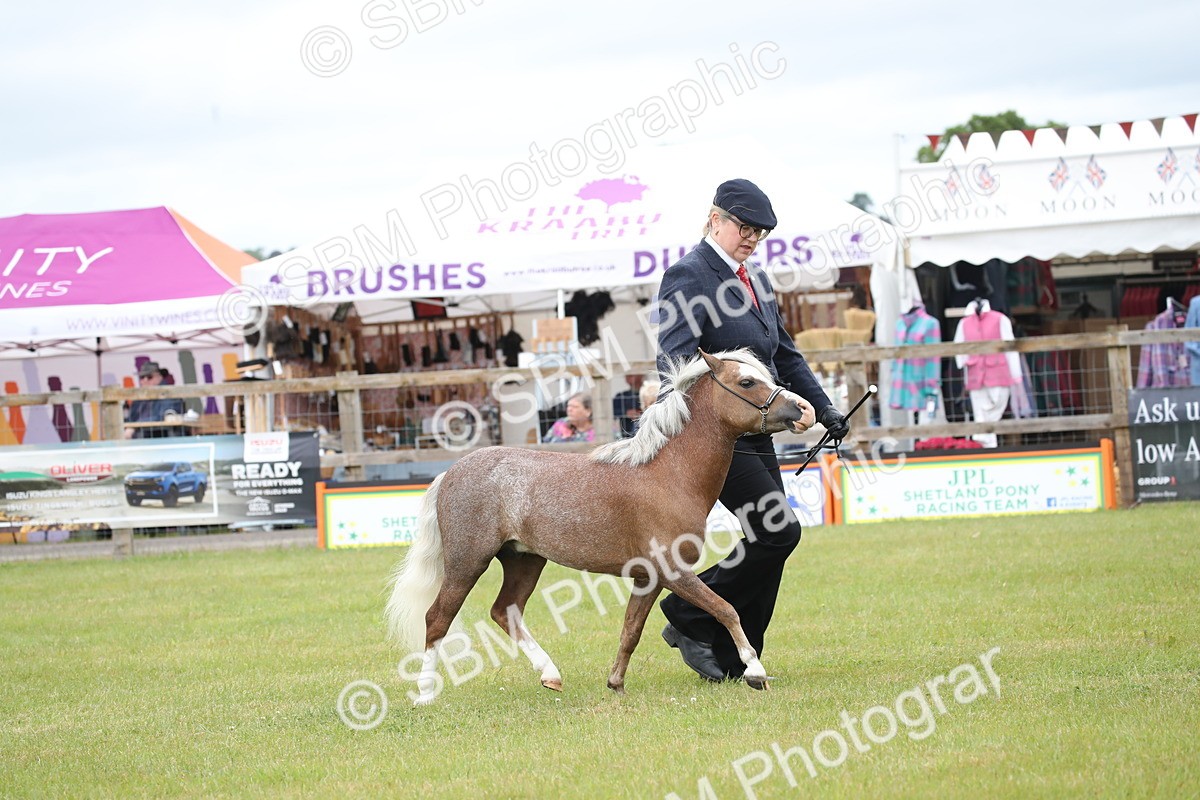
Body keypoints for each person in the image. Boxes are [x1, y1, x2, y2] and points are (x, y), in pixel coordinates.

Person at [655, 178, 850, 683]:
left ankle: (737, 652)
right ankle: (689, 614)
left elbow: (782, 352)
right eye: (744, 227)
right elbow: (676, 360)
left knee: (774, 539)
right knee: (777, 530)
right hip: (712, 437)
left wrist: (825, 407)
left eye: (759, 232)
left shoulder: (756, 280)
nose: (751, 237)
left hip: (755, 432)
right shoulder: (686, 275)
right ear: (714, 219)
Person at [125, 361, 186, 439]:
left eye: (149, 377)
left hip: (162, 440)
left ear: (159, 376)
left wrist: (134, 426)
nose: (145, 380)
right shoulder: (139, 398)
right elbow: (130, 418)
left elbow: (164, 416)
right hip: (139, 439)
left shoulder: (169, 393)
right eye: (142, 377)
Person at [612, 373, 646, 438]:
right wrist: (626, 413)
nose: (628, 375)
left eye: (633, 372)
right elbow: (610, 413)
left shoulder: (649, 394)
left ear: (641, 374)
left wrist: (642, 414)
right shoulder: (621, 396)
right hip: (626, 437)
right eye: (627, 373)